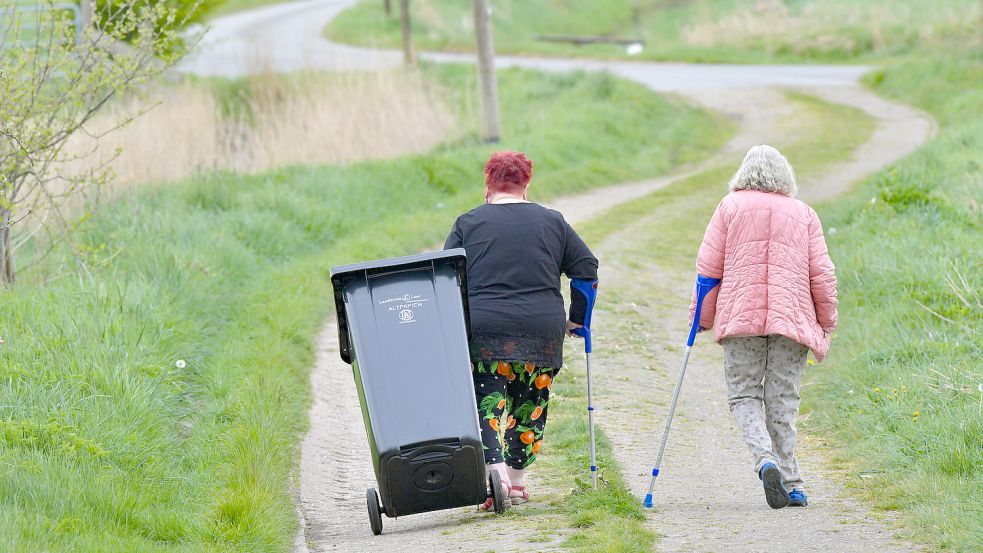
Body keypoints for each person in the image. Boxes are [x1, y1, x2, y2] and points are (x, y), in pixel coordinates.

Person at [444, 151, 598, 509]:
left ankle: (494, 476)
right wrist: (578, 320)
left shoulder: (468, 223)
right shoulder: (553, 222)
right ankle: (513, 483)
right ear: (526, 185)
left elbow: (445, 275)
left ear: (488, 187)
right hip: (541, 335)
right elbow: (586, 267)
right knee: (530, 407)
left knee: (487, 405)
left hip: (485, 333)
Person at [691, 145, 838, 509]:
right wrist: (826, 320)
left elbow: (708, 271)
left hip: (742, 317)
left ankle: (764, 460)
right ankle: (793, 482)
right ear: (784, 175)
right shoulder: (804, 214)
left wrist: (702, 319)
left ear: (744, 174)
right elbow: (822, 274)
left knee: (743, 394)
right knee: (783, 399)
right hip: (792, 319)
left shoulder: (729, 207)